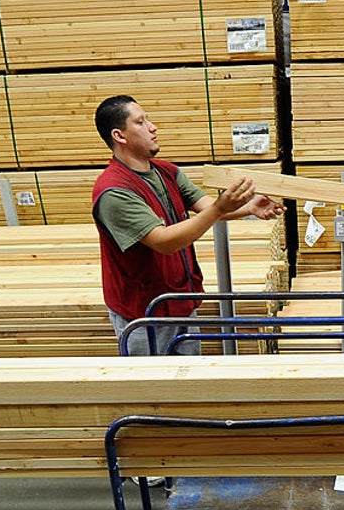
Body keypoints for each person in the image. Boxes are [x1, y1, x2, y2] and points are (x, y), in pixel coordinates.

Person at [92, 94, 285, 357]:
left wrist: (248, 208)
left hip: (179, 301)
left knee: (187, 374)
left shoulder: (166, 172)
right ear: (119, 136)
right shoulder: (114, 191)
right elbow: (164, 241)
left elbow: (206, 207)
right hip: (144, 315)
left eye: (148, 119)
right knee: (155, 380)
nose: (152, 127)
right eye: (140, 122)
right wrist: (220, 208)